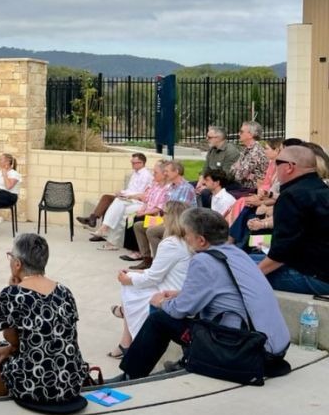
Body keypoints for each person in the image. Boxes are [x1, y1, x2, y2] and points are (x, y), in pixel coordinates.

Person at [118, 208, 290, 380]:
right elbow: (224, 289)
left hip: (247, 349)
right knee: (197, 311)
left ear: (201, 240)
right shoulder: (237, 253)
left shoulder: (203, 260)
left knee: (160, 319)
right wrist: (181, 293)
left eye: (187, 234)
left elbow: (179, 310)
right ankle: (187, 359)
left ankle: (131, 375)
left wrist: (160, 302)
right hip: (274, 348)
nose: (185, 238)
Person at [0, 233, 88, 404]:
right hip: (71, 383)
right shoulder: (65, 291)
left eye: (10, 256)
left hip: (34, 386)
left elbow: (11, 338)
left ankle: (2, 409)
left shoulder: (11, 294)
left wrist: (13, 290)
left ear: (18, 264)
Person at [109, 201, 192, 358]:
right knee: (132, 277)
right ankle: (125, 341)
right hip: (176, 285)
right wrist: (139, 272)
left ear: (171, 218)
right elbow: (161, 271)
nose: (161, 216)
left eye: (163, 213)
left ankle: (126, 332)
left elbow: (154, 277)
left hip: (170, 291)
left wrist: (128, 280)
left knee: (129, 284)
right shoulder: (185, 241)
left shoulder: (171, 244)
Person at [254, 144, 329, 294]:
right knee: (244, 259)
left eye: (277, 163)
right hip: (319, 268)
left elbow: (282, 251)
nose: (275, 168)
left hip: (315, 278)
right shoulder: (321, 190)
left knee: (233, 269)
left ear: (289, 167)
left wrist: (255, 274)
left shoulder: (292, 196)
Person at [78, 153, 153, 229]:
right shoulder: (135, 173)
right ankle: (95, 221)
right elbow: (130, 189)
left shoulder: (145, 175)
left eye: (134, 163)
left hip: (134, 200)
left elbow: (139, 192)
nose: (132, 165)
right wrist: (121, 192)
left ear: (141, 163)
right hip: (127, 196)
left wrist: (124, 194)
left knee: (107, 199)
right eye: (131, 162)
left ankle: (93, 219)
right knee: (106, 200)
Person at [125, 161, 172, 268]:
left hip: (157, 217)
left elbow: (158, 208)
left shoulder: (167, 189)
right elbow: (146, 200)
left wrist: (144, 213)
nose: (153, 175)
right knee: (132, 218)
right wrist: (142, 210)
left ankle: (144, 255)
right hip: (149, 213)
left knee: (138, 221)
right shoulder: (155, 185)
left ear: (163, 174)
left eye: (155, 173)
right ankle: (144, 256)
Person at [195, 127, 241, 209]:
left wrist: (206, 185)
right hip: (211, 181)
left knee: (205, 193)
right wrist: (201, 180)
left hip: (225, 183)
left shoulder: (230, 151)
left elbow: (225, 175)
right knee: (190, 186)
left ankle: (207, 217)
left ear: (218, 138)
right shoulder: (212, 149)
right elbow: (206, 167)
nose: (207, 139)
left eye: (209, 137)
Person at [229, 121, 267, 195]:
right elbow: (232, 170)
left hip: (252, 190)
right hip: (242, 186)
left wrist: (238, 168)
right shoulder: (247, 149)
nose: (238, 134)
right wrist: (239, 169)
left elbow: (239, 176)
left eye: (241, 132)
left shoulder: (256, 152)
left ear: (250, 135)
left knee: (221, 195)